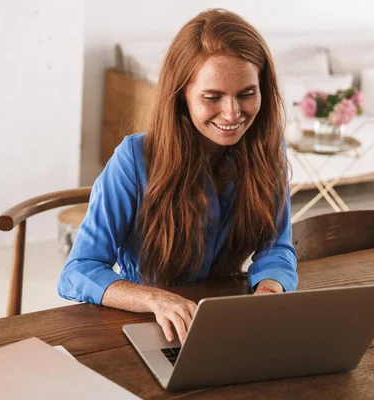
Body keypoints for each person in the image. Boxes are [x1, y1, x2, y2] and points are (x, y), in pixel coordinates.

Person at [58, 8, 297, 345]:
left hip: (224, 322)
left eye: (247, 94)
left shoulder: (268, 151)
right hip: (148, 324)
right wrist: (154, 298)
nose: (233, 114)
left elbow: (277, 248)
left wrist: (270, 288)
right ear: (181, 96)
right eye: (212, 97)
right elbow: (78, 271)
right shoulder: (134, 159)